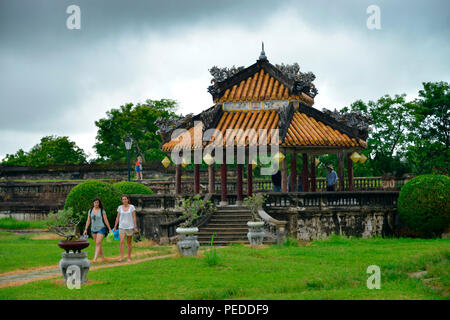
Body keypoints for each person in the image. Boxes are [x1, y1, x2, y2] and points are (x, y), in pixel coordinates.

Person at [83, 198, 112, 262]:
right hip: (93, 229)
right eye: (95, 202)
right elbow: (88, 220)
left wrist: (109, 229)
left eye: (97, 202)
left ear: (99, 203)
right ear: (93, 203)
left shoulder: (102, 211)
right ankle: (102, 258)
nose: (96, 204)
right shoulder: (90, 211)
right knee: (97, 244)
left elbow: (105, 220)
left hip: (101, 228)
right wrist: (85, 229)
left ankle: (95, 259)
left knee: (98, 242)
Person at [113, 195, 138, 262]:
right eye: (123, 199)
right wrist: (115, 226)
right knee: (121, 241)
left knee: (129, 242)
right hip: (121, 227)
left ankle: (129, 257)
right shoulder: (120, 208)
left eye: (125, 199)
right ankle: (121, 257)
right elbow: (117, 217)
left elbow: (134, 217)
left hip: (130, 227)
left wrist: (135, 227)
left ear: (128, 200)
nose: (124, 200)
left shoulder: (132, 207)